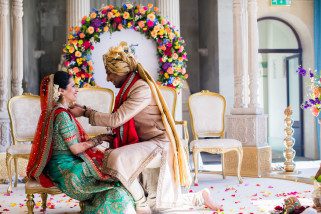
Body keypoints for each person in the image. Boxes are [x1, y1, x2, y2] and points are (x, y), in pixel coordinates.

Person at [70, 42, 221, 213]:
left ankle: (140, 203)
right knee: (158, 205)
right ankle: (199, 197)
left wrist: (85, 112)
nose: (108, 79)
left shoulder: (140, 88)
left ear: (120, 72)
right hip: (146, 144)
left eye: (109, 73)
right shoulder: (130, 87)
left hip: (160, 145)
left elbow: (116, 119)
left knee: (115, 157)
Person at [26, 71, 135, 214]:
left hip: (66, 164)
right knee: (110, 180)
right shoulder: (62, 115)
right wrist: (99, 139)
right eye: (72, 86)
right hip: (65, 168)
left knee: (110, 174)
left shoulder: (61, 111)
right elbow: (76, 149)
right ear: (61, 91)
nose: (76, 89)